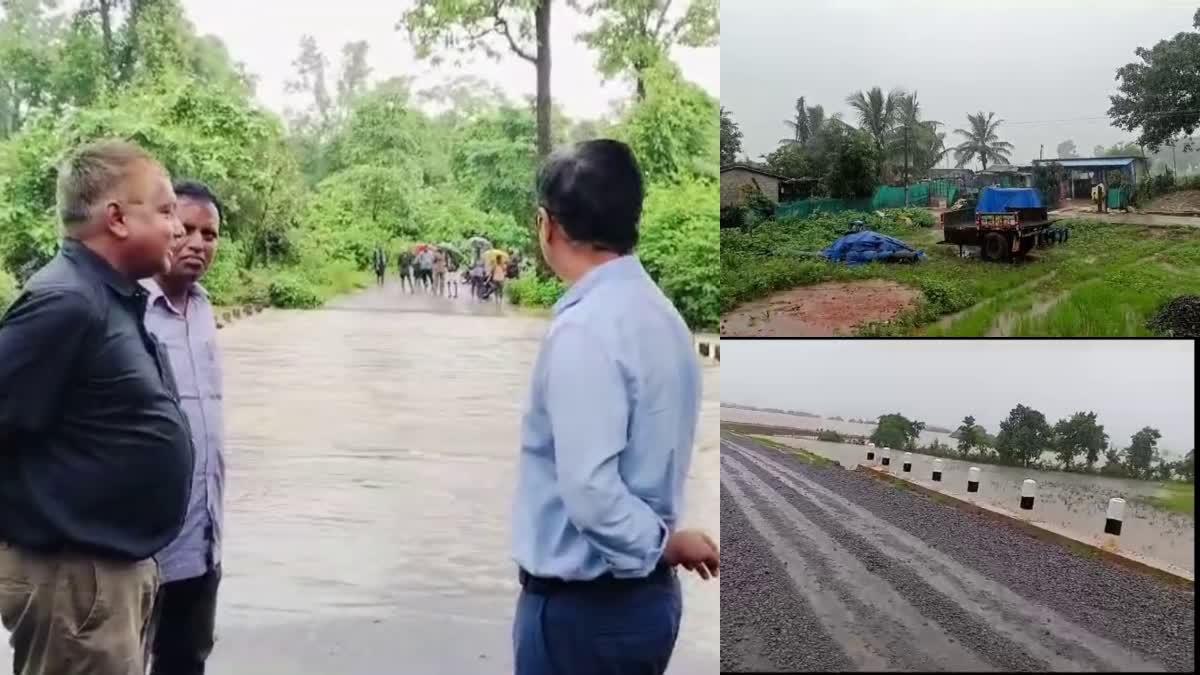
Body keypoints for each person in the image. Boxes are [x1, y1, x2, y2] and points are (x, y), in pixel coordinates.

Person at [512, 139, 719, 675]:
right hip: (641, 609)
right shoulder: (663, 318)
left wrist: (664, 545)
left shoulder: (585, 329)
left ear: (546, 225)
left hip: (583, 619)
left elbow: (590, 492)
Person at [0, 139, 193, 675]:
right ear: (117, 218)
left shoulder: (107, 297)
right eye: (165, 210)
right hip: (77, 583)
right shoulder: (66, 303)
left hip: (103, 578)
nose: (177, 227)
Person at [139, 180, 226, 675]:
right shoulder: (128, 309)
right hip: (141, 546)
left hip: (202, 536)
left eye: (209, 234)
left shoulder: (205, 308)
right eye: (186, 229)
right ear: (164, 227)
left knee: (186, 660)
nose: (197, 242)